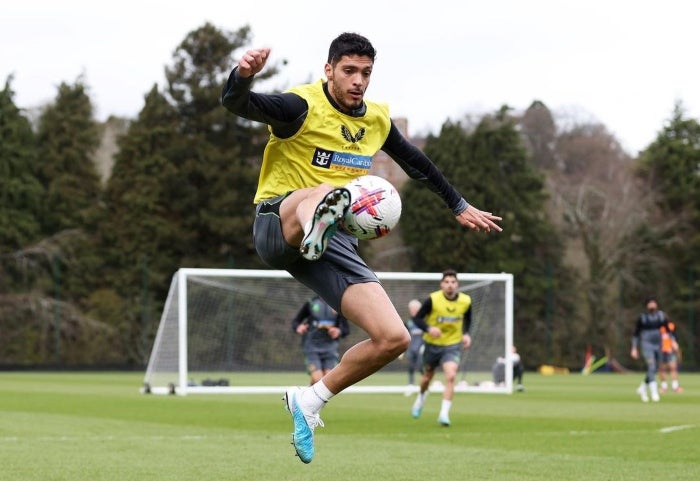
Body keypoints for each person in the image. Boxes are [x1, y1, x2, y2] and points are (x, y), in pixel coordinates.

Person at [221, 32, 502, 463]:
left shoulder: (375, 120)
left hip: (333, 243)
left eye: (366, 73)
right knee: (320, 191)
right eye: (349, 70)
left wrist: (458, 204)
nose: (358, 81)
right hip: (279, 225)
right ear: (329, 69)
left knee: (394, 338)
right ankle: (320, 218)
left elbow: (417, 163)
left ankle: (310, 401)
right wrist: (242, 76)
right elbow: (238, 104)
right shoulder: (301, 107)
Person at [409, 269, 473, 426]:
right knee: (426, 378)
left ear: (457, 284)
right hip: (432, 345)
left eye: (453, 282)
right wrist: (429, 329)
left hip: (452, 345)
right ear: (441, 284)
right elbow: (417, 319)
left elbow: (468, 320)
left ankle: (444, 414)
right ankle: (421, 398)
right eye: (447, 282)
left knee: (450, 376)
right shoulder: (432, 299)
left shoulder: (466, 301)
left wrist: (466, 334)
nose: (450, 285)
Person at [292, 295, 350, 385]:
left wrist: (339, 331)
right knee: (318, 380)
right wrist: (298, 327)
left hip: (330, 348)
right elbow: (296, 321)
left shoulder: (338, 304)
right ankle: (306, 396)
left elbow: (346, 329)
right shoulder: (311, 303)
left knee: (329, 381)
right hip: (311, 347)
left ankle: (305, 395)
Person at [630, 296, 677, 402]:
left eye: (653, 303)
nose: (652, 305)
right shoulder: (642, 318)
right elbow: (636, 334)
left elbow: (668, 331)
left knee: (654, 368)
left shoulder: (661, 316)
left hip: (658, 345)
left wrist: (673, 341)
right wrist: (634, 348)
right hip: (647, 345)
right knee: (651, 366)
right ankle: (654, 393)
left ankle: (642, 388)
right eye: (650, 303)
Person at [403, 299, 425, 390]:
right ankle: (411, 384)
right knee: (411, 365)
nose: (413, 310)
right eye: (412, 309)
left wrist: (425, 345)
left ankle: (425, 383)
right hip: (412, 346)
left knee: (421, 365)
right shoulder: (408, 322)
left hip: (422, 346)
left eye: (415, 309)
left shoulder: (425, 320)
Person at [658, 320, 683, 394]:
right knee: (662, 369)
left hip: (670, 350)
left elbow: (674, 337)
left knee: (673, 368)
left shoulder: (671, 326)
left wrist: (675, 345)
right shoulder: (657, 327)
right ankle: (664, 387)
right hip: (661, 350)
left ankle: (675, 387)